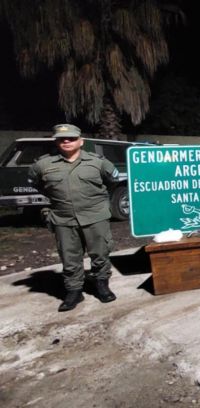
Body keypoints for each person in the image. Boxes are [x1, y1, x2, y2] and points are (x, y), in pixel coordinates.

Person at [28, 124, 121, 312]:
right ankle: (74, 291)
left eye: (71, 138)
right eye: (62, 139)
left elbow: (113, 182)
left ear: (81, 141)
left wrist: (100, 204)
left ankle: (101, 285)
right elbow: (38, 185)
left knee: (100, 253)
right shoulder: (43, 165)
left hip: (95, 217)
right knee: (69, 258)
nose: (67, 141)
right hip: (63, 219)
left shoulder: (98, 163)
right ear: (56, 141)